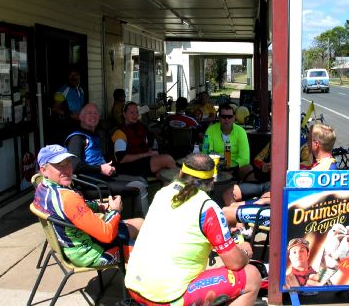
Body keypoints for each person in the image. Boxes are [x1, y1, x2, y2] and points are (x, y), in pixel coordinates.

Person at [125, 153, 261, 306]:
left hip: (134, 287)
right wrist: (244, 252)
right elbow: (235, 263)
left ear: (181, 173)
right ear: (212, 181)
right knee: (252, 275)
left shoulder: (162, 193)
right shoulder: (207, 208)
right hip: (167, 299)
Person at [33, 144, 143, 268]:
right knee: (151, 253)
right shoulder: (68, 198)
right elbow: (107, 235)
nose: (67, 170)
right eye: (59, 166)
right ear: (44, 170)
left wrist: (100, 206)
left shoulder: (42, 188)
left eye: (68, 163)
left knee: (140, 223)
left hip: (73, 247)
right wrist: (115, 211)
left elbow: (78, 207)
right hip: (91, 253)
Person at [65, 103, 149, 216]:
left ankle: (129, 217)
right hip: (90, 184)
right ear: (81, 117)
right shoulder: (77, 138)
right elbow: (73, 165)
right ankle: (141, 222)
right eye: (89, 113)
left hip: (102, 178)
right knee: (139, 186)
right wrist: (100, 168)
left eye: (95, 113)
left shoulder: (94, 135)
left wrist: (109, 167)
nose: (93, 116)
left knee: (142, 179)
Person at [112, 101, 176, 177]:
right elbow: (121, 159)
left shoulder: (140, 127)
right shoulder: (120, 133)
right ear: (124, 114)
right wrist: (146, 154)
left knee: (163, 171)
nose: (135, 115)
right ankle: (182, 184)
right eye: (132, 113)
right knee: (167, 159)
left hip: (142, 161)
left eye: (136, 112)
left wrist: (150, 151)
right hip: (129, 166)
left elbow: (145, 144)